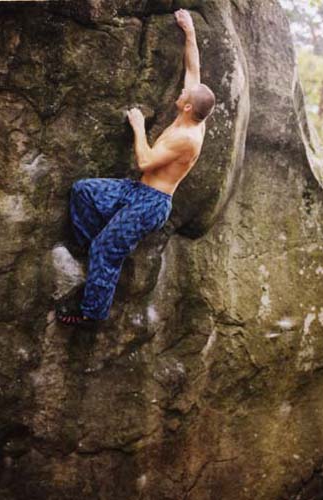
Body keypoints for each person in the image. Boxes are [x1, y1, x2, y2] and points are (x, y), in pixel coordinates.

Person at [56, 8, 216, 325]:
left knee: (106, 249)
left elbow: (144, 160)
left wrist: (138, 126)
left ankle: (92, 315)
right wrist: (189, 31)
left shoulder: (186, 138)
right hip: (136, 191)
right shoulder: (194, 112)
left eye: (184, 93)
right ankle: (99, 252)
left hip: (151, 204)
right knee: (83, 191)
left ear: (187, 106)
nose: (182, 89)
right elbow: (193, 69)